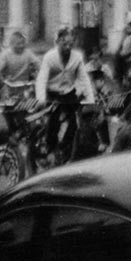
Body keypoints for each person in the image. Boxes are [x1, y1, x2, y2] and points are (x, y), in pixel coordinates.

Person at [36, 28, 97, 163]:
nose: (68, 47)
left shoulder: (77, 57)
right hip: (52, 93)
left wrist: (90, 98)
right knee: (54, 119)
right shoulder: (49, 57)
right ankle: (50, 148)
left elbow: (84, 78)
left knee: (75, 122)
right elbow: (42, 78)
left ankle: (65, 147)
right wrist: (41, 98)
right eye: (64, 44)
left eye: (70, 44)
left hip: (69, 92)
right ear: (57, 42)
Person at [0, 32, 38, 101]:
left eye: (23, 43)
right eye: (18, 44)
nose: (21, 46)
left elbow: (38, 64)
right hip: (9, 86)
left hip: (24, 86)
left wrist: (37, 76)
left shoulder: (28, 53)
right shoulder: (5, 54)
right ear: (11, 44)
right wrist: (3, 79)